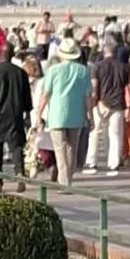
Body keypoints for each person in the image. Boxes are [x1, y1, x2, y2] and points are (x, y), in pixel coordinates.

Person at [38, 34, 91, 185]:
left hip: (57, 115)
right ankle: (68, 179)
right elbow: (88, 96)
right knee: (71, 150)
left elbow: (45, 94)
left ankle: (64, 182)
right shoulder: (83, 71)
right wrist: (90, 115)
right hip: (76, 115)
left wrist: (39, 114)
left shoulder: (53, 71)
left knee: (60, 150)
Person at [0, 48, 32, 185]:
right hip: (14, 114)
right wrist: (27, 111)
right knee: (16, 146)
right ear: (12, 55)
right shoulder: (20, 73)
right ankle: (19, 172)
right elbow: (26, 95)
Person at [87, 37, 130, 176]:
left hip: (101, 102)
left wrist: (94, 102)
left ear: (104, 51)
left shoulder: (98, 66)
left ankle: (92, 162)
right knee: (115, 134)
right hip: (118, 103)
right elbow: (128, 87)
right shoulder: (123, 67)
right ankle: (114, 163)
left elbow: (94, 86)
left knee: (95, 132)